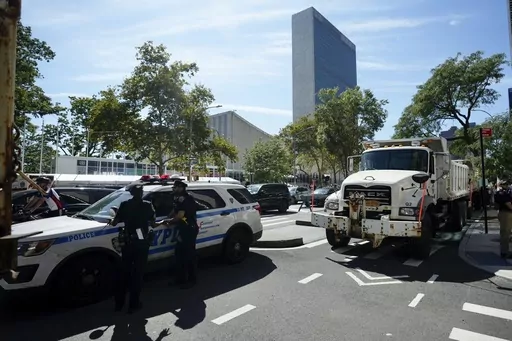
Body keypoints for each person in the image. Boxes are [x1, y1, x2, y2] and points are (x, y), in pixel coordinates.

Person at [110, 184, 156, 313]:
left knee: (124, 272)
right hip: (141, 242)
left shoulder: (124, 204)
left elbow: (114, 222)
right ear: (141, 193)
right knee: (137, 273)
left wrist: (113, 218)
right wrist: (163, 222)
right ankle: (133, 304)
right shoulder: (147, 205)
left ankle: (119, 304)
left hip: (128, 242)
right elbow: (153, 223)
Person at [163, 180, 198, 289]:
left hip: (188, 229)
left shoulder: (185, 199)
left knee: (188, 255)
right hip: (184, 229)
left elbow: (180, 215)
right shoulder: (178, 199)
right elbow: (175, 210)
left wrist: (169, 221)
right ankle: (181, 279)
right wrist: (168, 217)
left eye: (175, 187)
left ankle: (191, 280)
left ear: (181, 188)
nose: (173, 189)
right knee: (179, 255)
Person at [494, 180, 512, 259]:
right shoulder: (502, 193)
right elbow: (508, 203)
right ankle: (504, 252)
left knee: (506, 233)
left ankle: (505, 251)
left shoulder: (506, 192)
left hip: (506, 213)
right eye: (505, 184)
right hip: (506, 213)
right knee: (505, 232)